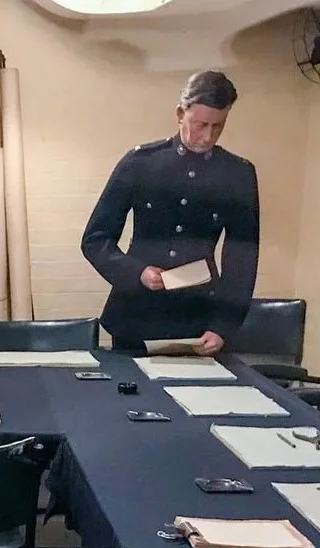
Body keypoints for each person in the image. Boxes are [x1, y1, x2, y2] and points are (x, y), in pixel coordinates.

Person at [80, 70, 260, 356]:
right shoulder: (140, 163)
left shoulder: (237, 174)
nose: (208, 136)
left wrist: (223, 326)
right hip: (137, 314)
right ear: (180, 114)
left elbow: (242, 259)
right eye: (200, 124)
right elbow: (95, 240)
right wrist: (137, 272)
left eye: (218, 126)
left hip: (198, 317)